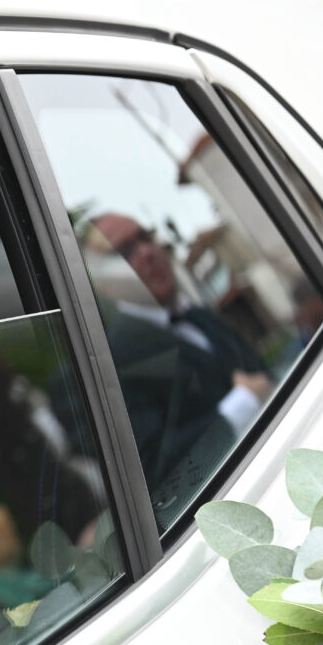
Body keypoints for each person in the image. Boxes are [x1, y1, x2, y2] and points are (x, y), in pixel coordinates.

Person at [84, 212, 273, 498]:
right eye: (125, 251)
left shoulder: (200, 314)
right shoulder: (111, 363)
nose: (147, 252)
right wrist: (243, 403)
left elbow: (261, 372)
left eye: (145, 237)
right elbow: (156, 471)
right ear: (105, 283)